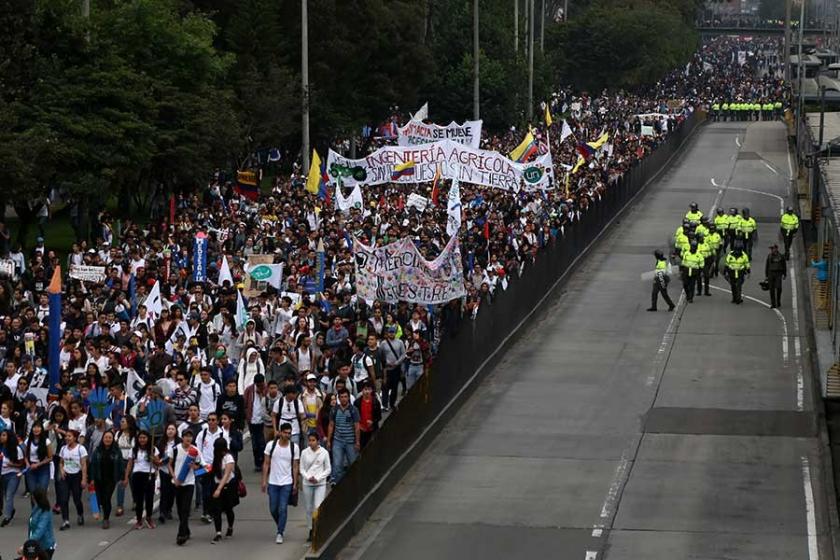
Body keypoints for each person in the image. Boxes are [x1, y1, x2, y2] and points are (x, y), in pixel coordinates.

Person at [262, 422, 299, 545]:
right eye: (285, 433)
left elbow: (295, 466)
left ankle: (280, 532)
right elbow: (266, 463)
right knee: (273, 509)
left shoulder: (294, 448)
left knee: (282, 508)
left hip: (287, 482)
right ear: (280, 432)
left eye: (290, 433)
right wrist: (264, 481)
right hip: (273, 482)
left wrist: (295, 484)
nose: (288, 435)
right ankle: (281, 524)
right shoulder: (271, 446)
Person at [169, 429, 206, 546]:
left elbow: (205, 468)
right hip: (177, 483)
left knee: (185, 509)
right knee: (180, 510)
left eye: (190, 436)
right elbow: (169, 464)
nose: (188, 439)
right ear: (182, 437)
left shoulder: (195, 451)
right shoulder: (175, 449)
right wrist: (174, 476)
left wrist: (195, 468)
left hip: (189, 483)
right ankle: (186, 529)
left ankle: (181, 534)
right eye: (186, 436)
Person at [124, 429, 159, 529]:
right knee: (138, 499)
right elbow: (129, 464)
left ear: (148, 439)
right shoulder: (134, 450)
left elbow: (158, 463)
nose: (142, 440)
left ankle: (149, 517)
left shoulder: (153, 449)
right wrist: (126, 477)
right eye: (140, 438)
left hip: (149, 475)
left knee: (149, 498)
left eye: (144, 438)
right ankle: (139, 520)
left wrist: (154, 459)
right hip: (137, 475)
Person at [299, 431, 331, 542]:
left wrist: (318, 478)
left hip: (320, 484)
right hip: (307, 483)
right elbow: (301, 469)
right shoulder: (304, 452)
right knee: (309, 508)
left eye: (313, 440)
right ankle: (310, 529)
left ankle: (318, 529)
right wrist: (308, 477)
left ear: (318, 441)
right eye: (310, 440)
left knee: (317, 507)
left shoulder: (324, 453)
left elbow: (328, 469)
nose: (311, 443)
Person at [89, 430, 122, 529]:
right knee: (100, 499)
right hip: (98, 478)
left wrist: (121, 478)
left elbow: (120, 466)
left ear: (113, 439)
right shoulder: (97, 451)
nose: (107, 439)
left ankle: (106, 519)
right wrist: (91, 479)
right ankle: (98, 510)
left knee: (107, 498)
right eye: (105, 437)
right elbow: (92, 465)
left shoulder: (117, 451)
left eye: (110, 438)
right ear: (102, 439)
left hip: (111, 480)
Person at [208, 437, 239, 543]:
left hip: (228, 486)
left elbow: (226, 474)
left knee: (228, 509)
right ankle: (218, 533)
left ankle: (230, 527)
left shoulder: (228, 457)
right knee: (217, 510)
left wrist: (219, 489)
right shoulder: (216, 458)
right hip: (217, 484)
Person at [327, 388, 360, 485]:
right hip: (338, 441)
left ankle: (355, 483)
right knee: (337, 464)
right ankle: (339, 484)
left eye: (345, 397)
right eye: (341, 397)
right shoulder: (334, 410)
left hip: (351, 441)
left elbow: (357, 427)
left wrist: (357, 442)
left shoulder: (353, 410)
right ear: (339, 398)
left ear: (349, 397)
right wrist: (329, 440)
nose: (344, 399)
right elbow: (331, 425)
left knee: (353, 463)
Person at [57, 428, 87, 530]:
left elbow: (83, 465)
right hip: (66, 476)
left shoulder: (80, 449)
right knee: (64, 499)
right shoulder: (63, 449)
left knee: (77, 499)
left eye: (69, 436)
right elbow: (61, 462)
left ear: (75, 438)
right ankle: (65, 520)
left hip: (76, 476)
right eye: (66, 436)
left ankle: (80, 514)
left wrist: (84, 479)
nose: (67, 438)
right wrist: (61, 470)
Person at [244, 373, 268, 472]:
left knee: (263, 442)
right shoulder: (249, 390)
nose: (260, 386)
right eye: (258, 385)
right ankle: (257, 463)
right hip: (252, 420)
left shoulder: (266, 389)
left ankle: (264, 462)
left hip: (263, 420)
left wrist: (262, 393)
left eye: (261, 384)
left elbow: (269, 401)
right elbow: (245, 403)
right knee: (255, 443)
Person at [157, 422, 180, 524]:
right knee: (164, 491)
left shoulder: (179, 443)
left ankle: (168, 509)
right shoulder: (160, 442)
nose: (170, 431)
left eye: (172, 429)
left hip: (174, 470)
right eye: (168, 429)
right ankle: (162, 511)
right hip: (163, 470)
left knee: (172, 491)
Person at [0, 428, 24, 525]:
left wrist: (12, 465)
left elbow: (21, 464)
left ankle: (7, 517)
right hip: (2, 474)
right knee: (6, 495)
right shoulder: (1, 448)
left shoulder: (16, 449)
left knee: (9, 495)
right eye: (1, 435)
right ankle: (11, 510)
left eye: (4, 435)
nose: (1, 437)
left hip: (13, 474)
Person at [379, 327, 406, 411]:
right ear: (387, 333)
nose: (391, 334)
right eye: (390, 332)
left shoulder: (400, 342)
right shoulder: (383, 343)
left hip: (396, 368)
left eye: (393, 332)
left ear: (395, 333)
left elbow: (403, 354)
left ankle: (392, 403)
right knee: (385, 387)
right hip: (387, 369)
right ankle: (384, 405)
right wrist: (384, 364)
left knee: (394, 387)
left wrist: (397, 363)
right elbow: (381, 355)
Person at [25, 489, 55, 559]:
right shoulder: (36, 508)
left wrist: (28, 543)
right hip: (37, 545)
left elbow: (40, 530)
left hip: (45, 546)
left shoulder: (45, 512)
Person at [24, 423, 52, 495]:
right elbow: (25, 455)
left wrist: (38, 464)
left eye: (38, 427)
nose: (36, 429)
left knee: (42, 493)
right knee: (33, 493)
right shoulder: (28, 441)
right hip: (31, 468)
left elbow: (50, 457)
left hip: (43, 468)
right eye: (34, 427)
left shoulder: (46, 441)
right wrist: (27, 464)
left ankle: (42, 506)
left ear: (41, 429)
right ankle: (34, 506)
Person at [354, 381, 382, 449]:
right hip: (361, 431)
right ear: (362, 390)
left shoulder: (375, 402)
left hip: (373, 430)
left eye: (369, 389)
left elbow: (379, 417)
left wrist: (373, 422)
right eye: (365, 389)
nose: (367, 391)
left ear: (372, 390)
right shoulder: (357, 402)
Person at [765, 243, 787, 309]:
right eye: (771, 249)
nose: (772, 250)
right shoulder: (769, 256)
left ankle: (778, 301)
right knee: (771, 289)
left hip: (778, 273)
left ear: (776, 249)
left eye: (773, 248)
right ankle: (773, 303)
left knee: (779, 288)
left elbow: (784, 265)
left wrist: (784, 274)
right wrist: (766, 275)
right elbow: (767, 266)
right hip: (771, 273)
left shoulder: (781, 256)